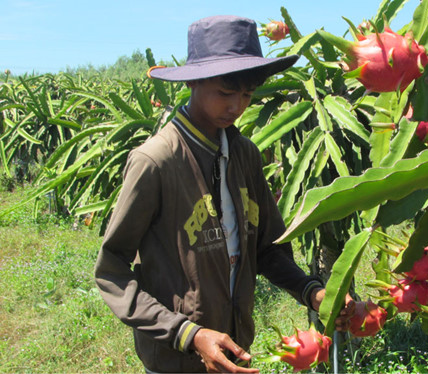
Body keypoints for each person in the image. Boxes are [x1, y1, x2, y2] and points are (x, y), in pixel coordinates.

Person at [94, 15, 353, 373]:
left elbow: (267, 250)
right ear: (194, 83)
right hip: (176, 360)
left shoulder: (244, 154)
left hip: (233, 350)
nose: (237, 107)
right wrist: (187, 334)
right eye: (225, 93)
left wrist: (312, 291)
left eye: (247, 94)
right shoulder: (155, 162)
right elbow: (111, 270)